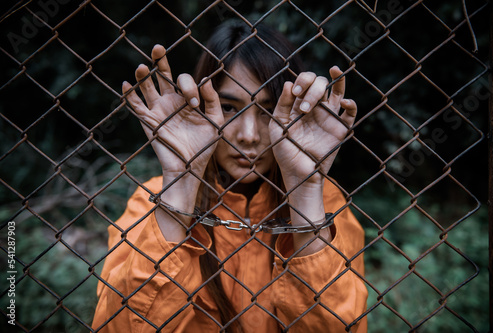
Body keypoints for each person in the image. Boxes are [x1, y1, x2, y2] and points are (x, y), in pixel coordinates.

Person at [92, 21, 367, 332]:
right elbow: (121, 325)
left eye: (267, 110)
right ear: (200, 105)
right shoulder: (151, 202)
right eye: (229, 107)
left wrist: (305, 191)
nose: (249, 136)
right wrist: (182, 180)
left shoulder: (326, 203)